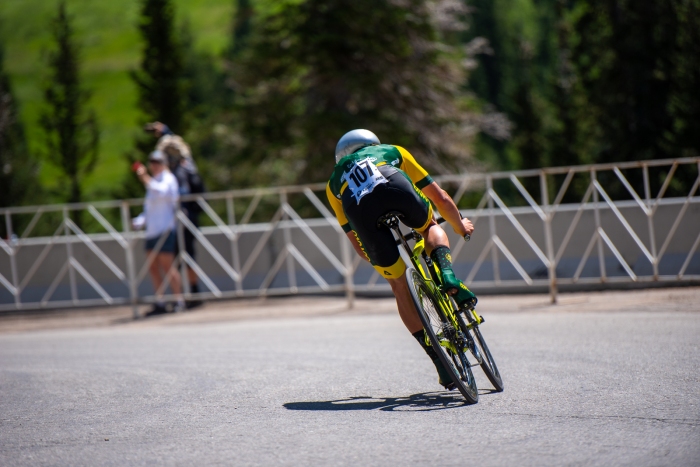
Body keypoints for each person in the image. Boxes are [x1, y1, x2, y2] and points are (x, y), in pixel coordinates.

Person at [326, 129, 477, 390]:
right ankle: (447, 274)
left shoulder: (332, 184)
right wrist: (460, 226)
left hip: (359, 207)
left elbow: (359, 246)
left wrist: (382, 259)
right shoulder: (393, 151)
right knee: (429, 225)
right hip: (394, 184)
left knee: (399, 286)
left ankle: (439, 361)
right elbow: (440, 197)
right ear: (373, 143)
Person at [145, 121, 205, 309]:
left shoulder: (178, 172)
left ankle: (191, 294)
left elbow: (182, 195)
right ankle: (187, 294)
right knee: (180, 258)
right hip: (180, 220)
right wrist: (165, 130)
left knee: (183, 257)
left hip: (183, 220)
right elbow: (177, 144)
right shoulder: (188, 164)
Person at [132, 150, 186, 315]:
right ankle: (160, 301)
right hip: (152, 231)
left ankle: (179, 300)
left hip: (165, 229)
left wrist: (144, 178)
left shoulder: (168, 180)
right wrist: (141, 220)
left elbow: (161, 193)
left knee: (168, 267)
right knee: (153, 268)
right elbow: (150, 207)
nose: (155, 166)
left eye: (158, 162)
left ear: (164, 164)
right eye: (152, 162)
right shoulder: (154, 181)